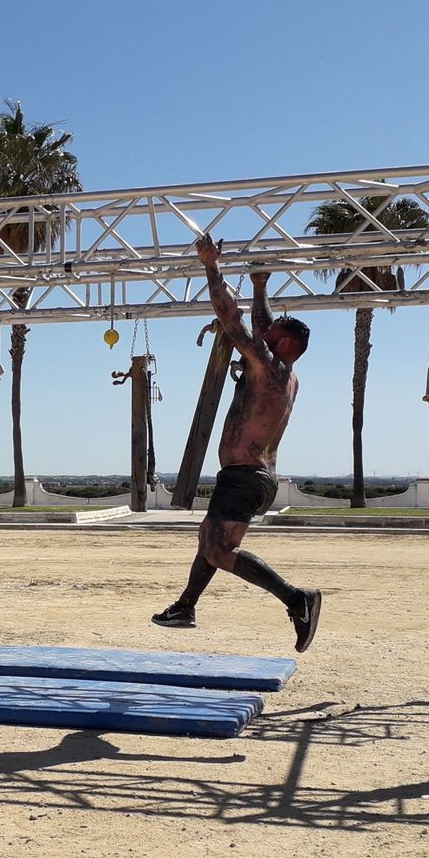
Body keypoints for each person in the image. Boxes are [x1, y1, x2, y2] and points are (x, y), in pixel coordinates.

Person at [152, 235, 322, 651]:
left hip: (246, 477)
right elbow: (262, 327)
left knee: (222, 550)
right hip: (248, 476)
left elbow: (233, 320)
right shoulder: (285, 374)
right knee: (209, 539)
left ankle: (297, 599)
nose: (263, 335)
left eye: (272, 334)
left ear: (281, 345)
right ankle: (185, 606)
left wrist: (211, 266)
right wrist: (260, 286)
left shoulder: (265, 366)